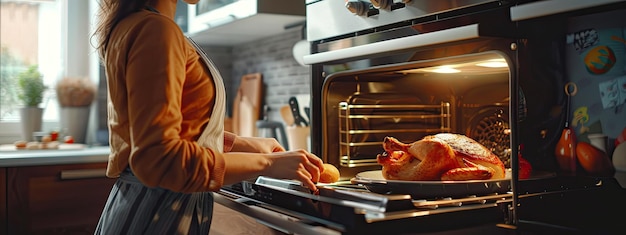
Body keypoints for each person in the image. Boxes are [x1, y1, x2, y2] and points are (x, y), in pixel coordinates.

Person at [91, 0, 323, 234]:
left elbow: (174, 129)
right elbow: (160, 159)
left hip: (140, 208)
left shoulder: (134, 25)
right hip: (161, 215)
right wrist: (267, 164)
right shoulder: (156, 29)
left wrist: (240, 144)